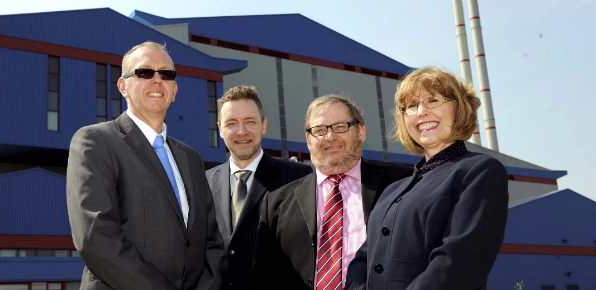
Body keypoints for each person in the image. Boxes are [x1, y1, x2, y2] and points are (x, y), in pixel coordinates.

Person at [67, 41, 222, 290]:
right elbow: (96, 238)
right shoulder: (95, 141)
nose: (157, 79)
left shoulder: (191, 158)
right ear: (122, 85)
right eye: (144, 72)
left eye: (166, 74)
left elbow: (212, 240)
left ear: (175, 90)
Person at [345, 67, 509, 290]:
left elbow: (458, 264)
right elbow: (363, 260)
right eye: (411, 106)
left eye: (433, 100)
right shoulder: (392, 191)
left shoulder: (480, 171)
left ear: (459, 107)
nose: (421, 111)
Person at [251, 95, 413, 290]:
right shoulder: (278, 203)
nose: (330, 137)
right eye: (319, 130)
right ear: (308, 140)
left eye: (340, 126)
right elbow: (264, 278)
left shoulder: (402, 182)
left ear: (361, 131)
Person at [205, 85, 312, 290]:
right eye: (231, 123)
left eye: (250, 121)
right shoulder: (203, 183)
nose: (241, 131)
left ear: (263, 125)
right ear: (220, 129)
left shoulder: (299, 179)